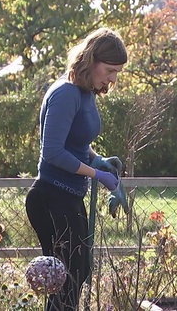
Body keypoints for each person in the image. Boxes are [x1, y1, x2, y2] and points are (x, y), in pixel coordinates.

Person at [25, 27, 127, 311]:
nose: (113, 78)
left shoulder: (85, 92)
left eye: (117, 71)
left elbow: (76, 142)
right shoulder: (65, 93)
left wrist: (97, 159)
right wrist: (99, 175)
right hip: (50, 197)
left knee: (75, 274)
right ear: (91, 60)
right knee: (65, 278)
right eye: (109, 70)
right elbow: (53, 152)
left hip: (68, 196)